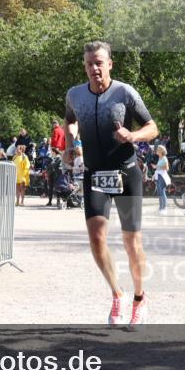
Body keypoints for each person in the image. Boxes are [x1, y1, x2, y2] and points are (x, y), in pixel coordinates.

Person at [64, 40, 159, 327]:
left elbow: (152, 128)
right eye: (89, 63)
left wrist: (132, 136)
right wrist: (70, 143)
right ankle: (117, 294)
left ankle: (140, 298)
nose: (94, 68)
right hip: (95, 174)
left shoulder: (125, 92)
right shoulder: (74, 95)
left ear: (109, 64)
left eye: (99, 63)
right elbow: (70, 121)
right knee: (96, 238)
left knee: (132, 242)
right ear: (85, 66)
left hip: (126, 172)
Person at [154, 144, 170, 214]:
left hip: (162, 176)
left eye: (157, 149)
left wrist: (157, 166)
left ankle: (164, 208)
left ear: (160, 151)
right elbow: (159, 167)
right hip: (158, 176)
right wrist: (156, 168)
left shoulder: (164, 158)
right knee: (159, 192)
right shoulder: (160, 158)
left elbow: (167, 168)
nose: (156, 150)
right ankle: (161, 207)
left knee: (162, 192)